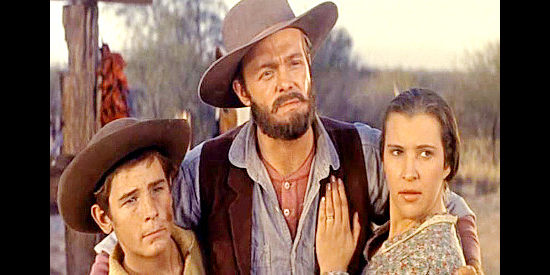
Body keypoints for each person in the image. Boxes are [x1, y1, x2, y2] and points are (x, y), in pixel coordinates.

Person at [92, 0, 482, 274]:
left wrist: (470, 263)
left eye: (295, 62)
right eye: (266, 72)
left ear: (309, 66)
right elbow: (133, 231)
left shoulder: (362, 153)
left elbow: (449, 206)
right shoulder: (205, 171)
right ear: (243, 93)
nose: (287, 82)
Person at [316, 88, 483, 274]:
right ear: (383, 159)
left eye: (425, 154)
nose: (409, 173)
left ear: (447, 164)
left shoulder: (428, 260)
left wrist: (332, 269)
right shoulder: (404, 239)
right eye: (397, 152)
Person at [57, 118, 205, 275]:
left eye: (157, 189)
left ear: (170, 187)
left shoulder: (212, 249)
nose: (151, 211)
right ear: (103, 218)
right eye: (131, 200)